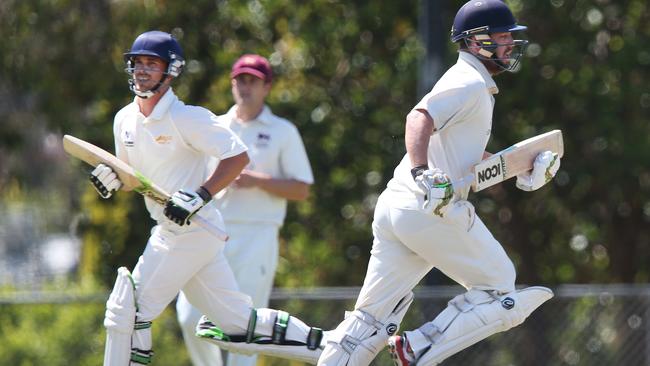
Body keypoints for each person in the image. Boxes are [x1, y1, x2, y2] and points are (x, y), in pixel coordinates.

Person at [317, 1, 560, 365]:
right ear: (478, 41)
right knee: (500, 289)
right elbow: (419, 117)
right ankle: (417, 346)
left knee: (367, 324)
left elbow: (465, 158)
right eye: (504, 36)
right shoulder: (469, 81)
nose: (510, 44)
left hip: (399, 207)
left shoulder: (474, 84)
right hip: (429, 206)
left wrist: (521, 169)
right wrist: (421, 172)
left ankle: (403, 346)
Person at [92, 30, 323, 366]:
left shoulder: (188, 117)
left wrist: (200, 194)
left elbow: (238, 158)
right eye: (137, 63)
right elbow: (132, 177)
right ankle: (332, 346)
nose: (142, 70)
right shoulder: (124, 119)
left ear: (171, 70)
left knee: (127, 311)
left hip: (192, 230)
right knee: (238, 324)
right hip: (184, 229)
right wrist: (112, 179)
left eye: (151, 64)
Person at [175, 54, 314, 366]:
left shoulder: (283, 131)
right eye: (240, 79)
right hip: (209, 232)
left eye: (253, 80)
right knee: (188, 316)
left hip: (257, 234)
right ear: (232, 83)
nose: (245, 86)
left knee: (247, 327)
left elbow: (302, 188)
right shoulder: (215, 126)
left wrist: (257, 182)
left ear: (267, 86)